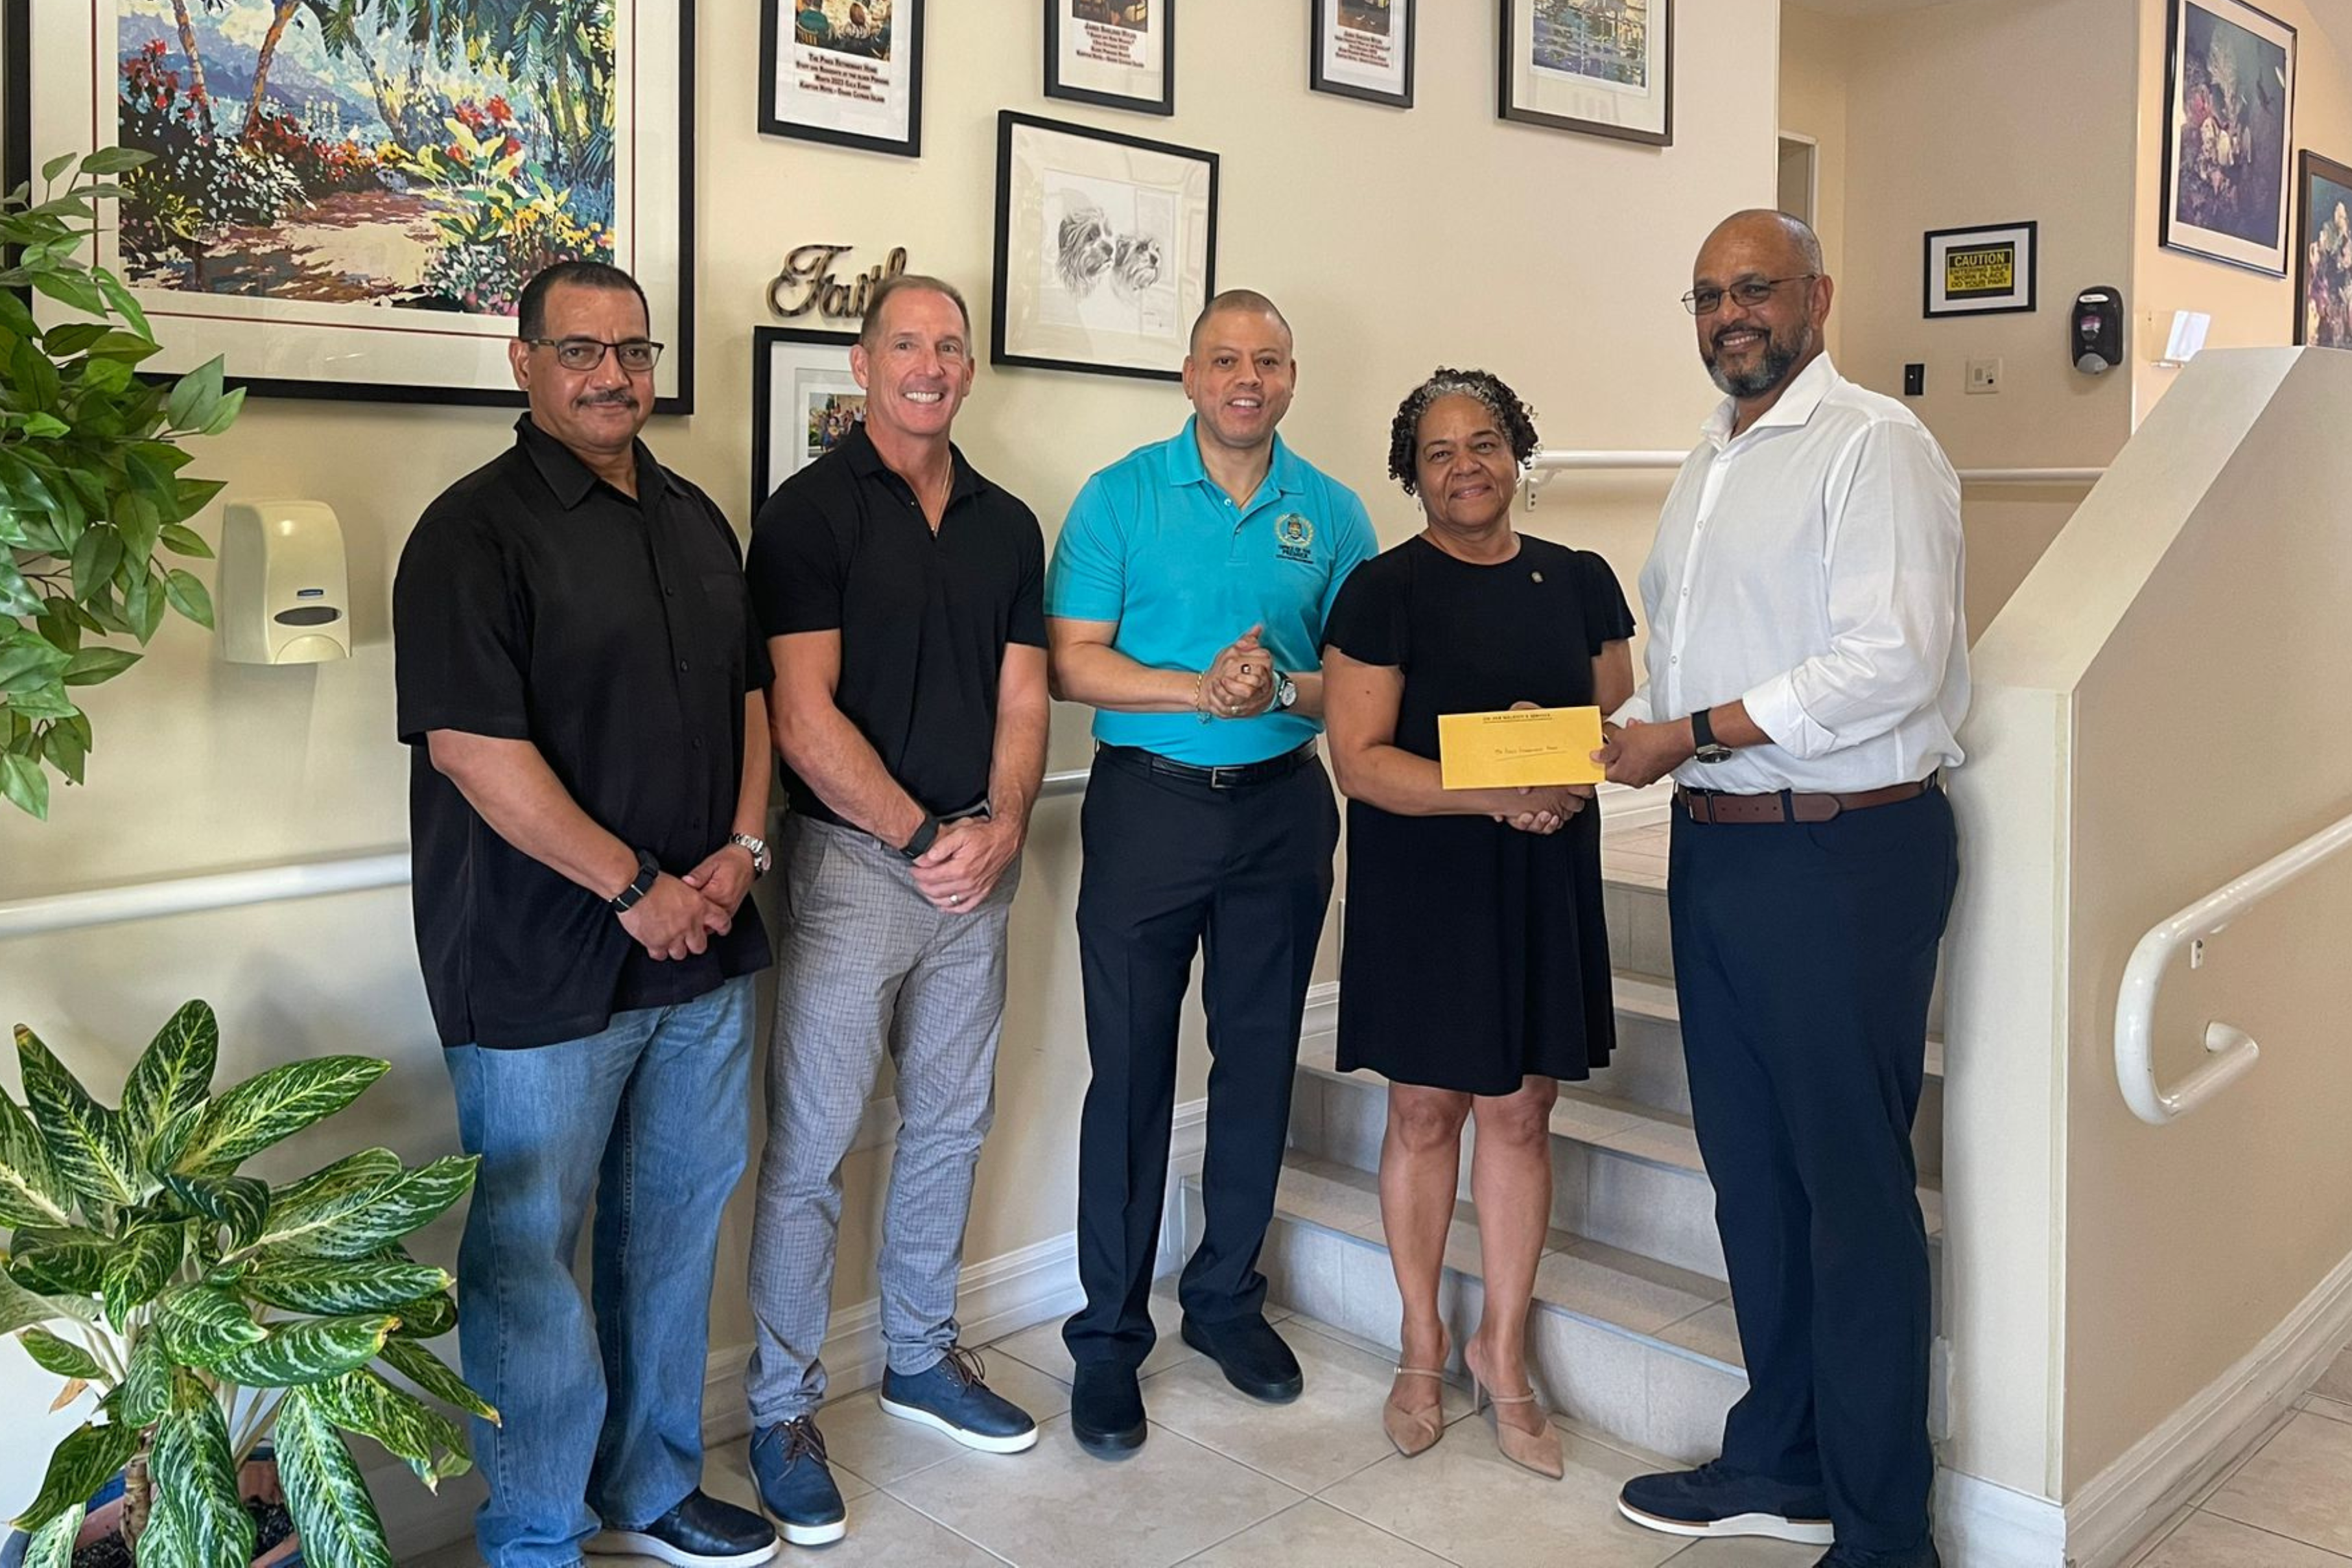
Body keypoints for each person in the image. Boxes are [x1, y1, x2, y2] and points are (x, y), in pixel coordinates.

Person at [393, 259, 778, 1568]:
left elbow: (750, 706)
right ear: (522, 362)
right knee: (526, 1261)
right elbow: (471, 749)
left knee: (671, 1234)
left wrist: (737, 850)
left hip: (703, 954)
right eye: (581, 351)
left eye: (632, 351)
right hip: (535, 965)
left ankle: (653, 1485)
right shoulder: (469, 533)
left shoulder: (695, 519)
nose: (612, 375)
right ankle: (537, 1533)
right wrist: (633, 889)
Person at [1597, 211, 1967, 1568]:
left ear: (1816, 292)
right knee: (1750, 1180)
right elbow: (1680, 672)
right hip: (1720, 849)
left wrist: (1687, 733)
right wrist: (1603, 742)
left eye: (1751, 290)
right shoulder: (1707, 461)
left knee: (1848, 1189)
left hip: (1840, 855)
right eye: (1703, 296)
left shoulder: (1875, 447)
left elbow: (1892, 661)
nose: (1725, 316)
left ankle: (1884, 1533)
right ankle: (1786, 1459)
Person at [740, 274, 1050, 1545]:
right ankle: (776, 1409)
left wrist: (1003, 826)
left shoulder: (1006, 523)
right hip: (852, 873)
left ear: (966, 370)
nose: (928, 365)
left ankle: (919, 1357)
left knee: (948, 1125)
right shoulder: (806, 516)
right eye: (904, 344)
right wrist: (921, 835)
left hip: (978, 867)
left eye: (948, 347)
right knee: (810, 1155)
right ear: (861, 363)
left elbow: (1025, 702)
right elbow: (801, 718)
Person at [1046, 289, 1378, 1457]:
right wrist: (1200, 690)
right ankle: (1108, 1339)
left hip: (1285, 816)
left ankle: (1227, 1299)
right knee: (1130, 1076)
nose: (1249, 378)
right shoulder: (1119, 497)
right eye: (1226, 359)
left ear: (1293, 377)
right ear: (1188, 375)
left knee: (1256, 1066)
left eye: (1270, 361)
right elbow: (1073, 666)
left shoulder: (1332, 514)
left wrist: (1274, 692)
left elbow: (1363, 685)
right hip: (1149, 812)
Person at [1321, 368, 1634, 1480]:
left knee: (1521, 1107)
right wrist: (1494, 786)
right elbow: (1359, 761)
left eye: (1486, 442)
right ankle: (1422, 1341)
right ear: (1413, 472)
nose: (1467, 465)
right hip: (1430, 877)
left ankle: (1505, 1347)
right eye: (1442, 450)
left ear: (1518, 454)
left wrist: (1554, 773)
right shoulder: (1382, 591)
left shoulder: (1581, 579)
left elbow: (1604, 710)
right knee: (1423, 1110)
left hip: (1544, 872)